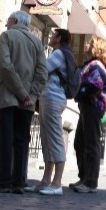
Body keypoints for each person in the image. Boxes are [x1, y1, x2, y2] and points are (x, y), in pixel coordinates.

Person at [0, 11, 47, 194]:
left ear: (15, 20)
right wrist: (31, 96)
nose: (6, 23)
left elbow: (6, 67)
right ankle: (19, 181)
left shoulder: (6, 36)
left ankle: (2, 182)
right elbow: (42, 74)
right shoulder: (37, 42)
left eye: (8, 20)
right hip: (27, 103)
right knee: (21, 141)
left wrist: (22, 93)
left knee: (5, 139)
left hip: (7, 97)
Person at [34, 28, 74, 195]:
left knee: (55, 139)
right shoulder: (61, 53)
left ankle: (57, 183)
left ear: (58, 38)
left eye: (52, 35)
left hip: (53, 98)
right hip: (49, 98)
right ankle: (46, 181)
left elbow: (42, 69)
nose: (50, 37)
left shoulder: (59, 54)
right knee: (46, 139)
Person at [69, 36, 106, 194]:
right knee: (80, 143)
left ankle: (90, 182)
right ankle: (84, 177)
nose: (86, 44)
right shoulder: (92, 65)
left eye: (90, 43)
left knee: (91, 143)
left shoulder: (96, 66)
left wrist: (78, 93)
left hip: (92, 106)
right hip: (88, 106)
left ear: (95, 48)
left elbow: (95, 86)